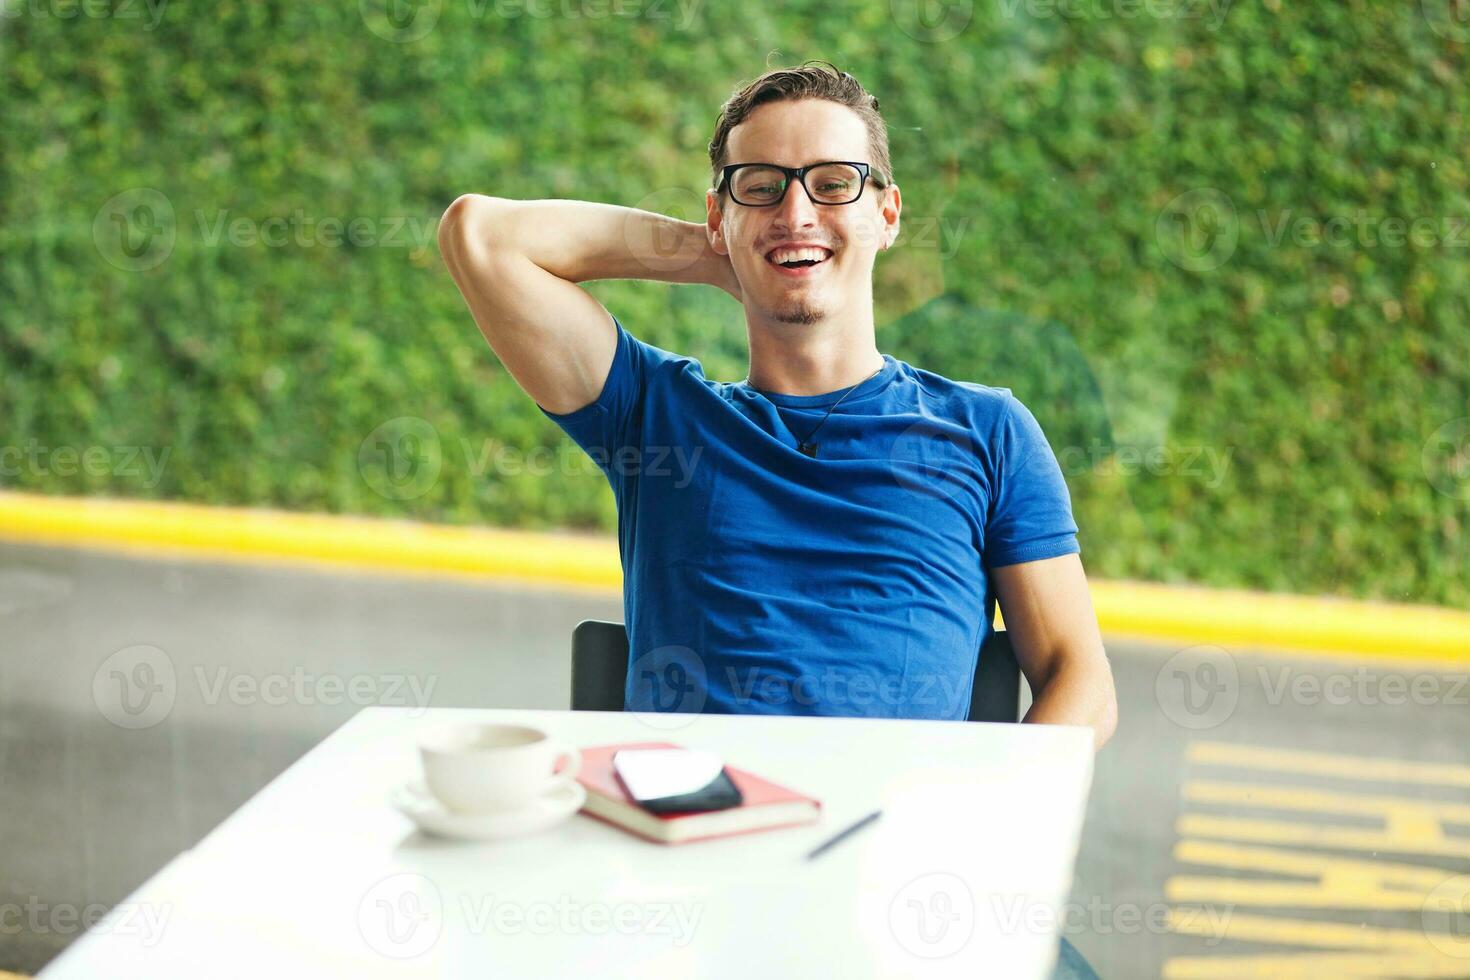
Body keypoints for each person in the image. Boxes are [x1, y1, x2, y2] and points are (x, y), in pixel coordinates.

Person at [439, 61, 1113, 979]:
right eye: (761, 188)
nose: (797, 211)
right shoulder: (658, 415)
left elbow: (1079, 676)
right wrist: (718, 249)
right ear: (720, 217)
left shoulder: (986, 429)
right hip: (691, 895)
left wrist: (983, 823)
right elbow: (481, 236)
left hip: (905, 894)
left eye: (833, 184)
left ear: (888, 210)